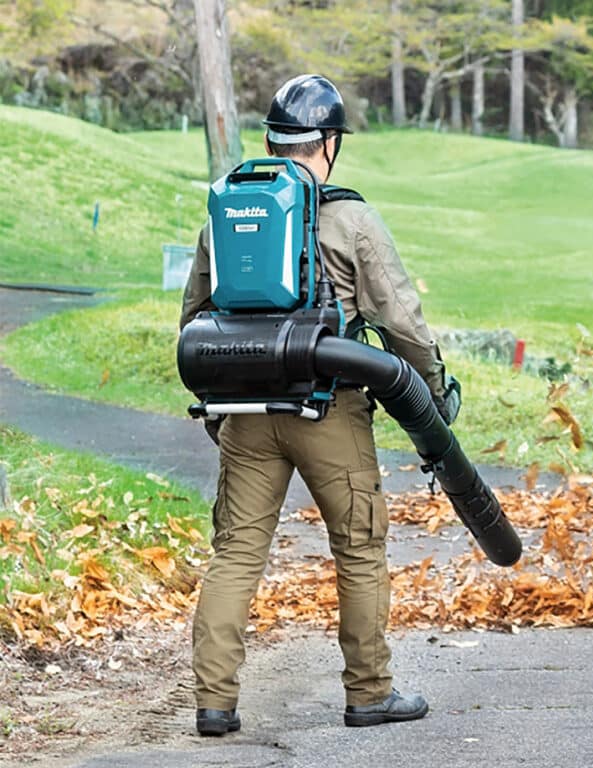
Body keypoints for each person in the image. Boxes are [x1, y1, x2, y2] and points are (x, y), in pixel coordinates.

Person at [179, 74, 449, 736]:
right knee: (358, 547)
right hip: (331, 409)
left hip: (244, 411)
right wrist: (433, 397)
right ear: (327, 143)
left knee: (237, 553)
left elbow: (193, 314)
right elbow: (403, 323)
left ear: (274, 138)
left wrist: (216, 405)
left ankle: (213, 704)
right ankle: (369, 694)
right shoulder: (351, 218)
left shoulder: (227, 211)